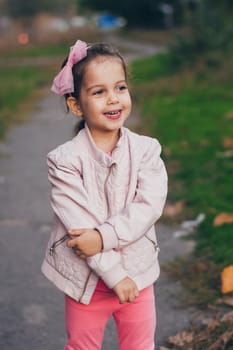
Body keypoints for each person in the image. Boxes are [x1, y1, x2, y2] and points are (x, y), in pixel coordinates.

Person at [41, 39, 168, 350]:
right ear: (76, 105)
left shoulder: (147, 151)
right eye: (99, 92)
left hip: (137, 276)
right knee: (82, 345)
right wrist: (113, 274)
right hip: (87, 283)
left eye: (120, 88)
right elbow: (79, 227)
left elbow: (148, 206)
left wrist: (104, 237)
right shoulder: (64, 161)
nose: (113, 99)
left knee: (139, 345)